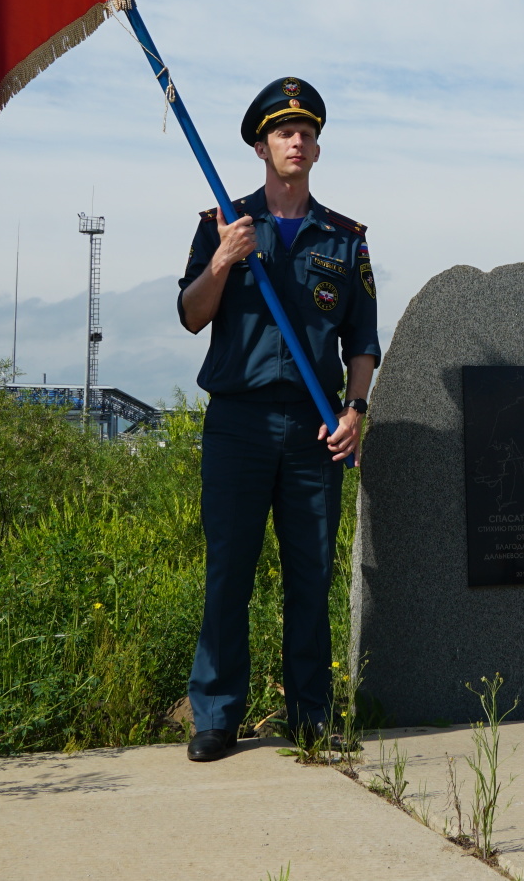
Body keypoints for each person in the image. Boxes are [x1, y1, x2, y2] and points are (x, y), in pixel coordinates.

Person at [177, 76, 379, 762]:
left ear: (318, 148)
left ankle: (309, 714)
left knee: (310, 575)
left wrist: (356, 410)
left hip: (313, 431)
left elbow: (363, 342)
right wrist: (224, 262)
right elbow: (190, 314)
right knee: (229, 571)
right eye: (284, 132)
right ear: (261, 145)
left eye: (308, 132)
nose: (298, 141)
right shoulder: (222, 225)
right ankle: (216, 715)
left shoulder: (345, 239)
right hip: (237, 424)